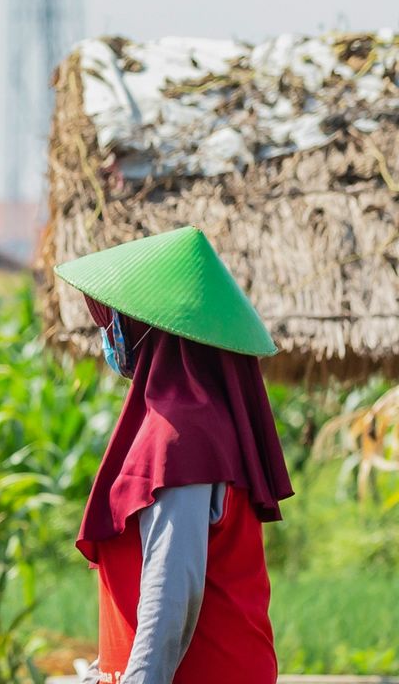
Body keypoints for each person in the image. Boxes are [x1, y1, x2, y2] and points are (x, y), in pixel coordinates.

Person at [54, 227, 295, 684]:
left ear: (150, 330)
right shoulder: (204, 423)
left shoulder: (179, 435)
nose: (110, 336)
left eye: (117, 323)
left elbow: (172, 594)